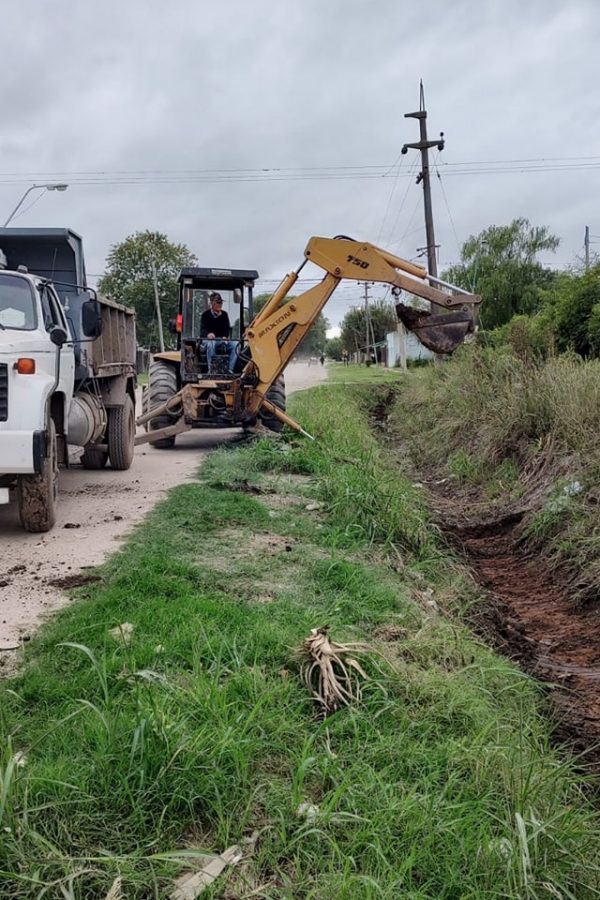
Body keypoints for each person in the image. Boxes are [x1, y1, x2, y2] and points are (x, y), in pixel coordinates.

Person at [199, 292, 238, 372]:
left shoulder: (224, 315)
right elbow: (203, 329)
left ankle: (230, 369)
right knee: (211, 344)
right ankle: (212, 369)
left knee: (235, 344)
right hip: (208, 340)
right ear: (212, 303)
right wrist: (208, 334)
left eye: (221, 302)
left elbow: (226, 329)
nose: (220, 304)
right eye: (218, 302)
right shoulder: (205, 315)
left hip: (220, 340)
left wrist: (225, 336)